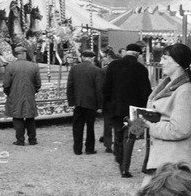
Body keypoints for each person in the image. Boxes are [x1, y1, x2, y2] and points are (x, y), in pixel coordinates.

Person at [139, 44, 191, 185]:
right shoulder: (169, 85)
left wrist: (150, 126)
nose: (161, 62)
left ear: (178, 62)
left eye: (165, 58)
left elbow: (180, 129)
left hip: (174, 164)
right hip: (163, 160)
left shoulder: (185, 90)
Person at [103, 43, 152, 178]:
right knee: (131, 138)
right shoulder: (141, 69)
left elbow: (106, 88)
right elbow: (146, 92)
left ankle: (119, 160)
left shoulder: (113, 66)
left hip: (116, 108)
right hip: (135, 111)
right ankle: (125, 168)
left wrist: (106, 106)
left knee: (118, 135)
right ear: (138, 55)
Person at [67, 50, 104, 155]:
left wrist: (71, 101)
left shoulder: (74, 69)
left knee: (77, 127)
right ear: (92, 58)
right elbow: (99, 89)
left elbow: (70, 86)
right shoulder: (97, 70)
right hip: (91, 103)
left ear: (82, 57)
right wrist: (100, 105)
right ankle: (89, 148)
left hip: (78, 102)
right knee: (90, 127)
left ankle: (77, 149)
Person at [3, 46, 42, 146]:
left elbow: (6, 84)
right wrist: (34, 90)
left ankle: (20, 140)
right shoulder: (34, 66)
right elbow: (38, 83)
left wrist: (8, 92)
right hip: (29, 94)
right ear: (24, 54)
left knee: (17, 117)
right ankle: (32, 139)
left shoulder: (11, 66)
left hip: (15, 94)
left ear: (15, 55)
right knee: (30, 117)